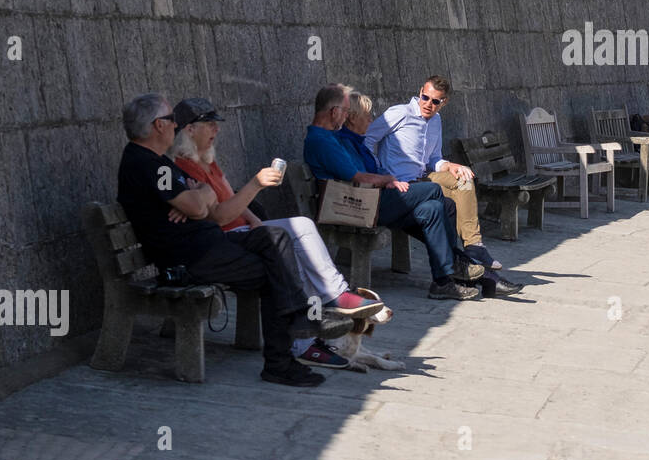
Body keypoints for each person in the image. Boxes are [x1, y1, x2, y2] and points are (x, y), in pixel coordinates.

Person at [117, 93, 340, 388]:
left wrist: (198, 196)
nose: (176, 126)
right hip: (190, 257)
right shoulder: (148, 165)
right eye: (172, 120)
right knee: (276, 271)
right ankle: (282, 358)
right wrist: (201, 197)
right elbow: (200, 206)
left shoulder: (155, 162)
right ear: (158, 125)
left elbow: (200, 204)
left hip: (206, 245)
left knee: (275, 237)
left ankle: (298, 321)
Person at [167, 97, 382, 370]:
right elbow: (218, 215)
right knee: (291, 257)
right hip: (223, 243)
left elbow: (231, 198)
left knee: (301, 229)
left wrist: (257, 221)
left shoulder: (206, 159)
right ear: (189, 129)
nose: (216, 130)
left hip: (244, 231)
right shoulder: (182, 167)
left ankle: (334, 297)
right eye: (210, 124)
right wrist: (256, 185)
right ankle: (304, 342)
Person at [304, 84, 483, 300]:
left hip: (369, 200)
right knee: (434, 189)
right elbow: (358, 177)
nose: (348, 115)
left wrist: (386, 180)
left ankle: (443, 282)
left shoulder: (336, 138)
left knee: (436, 208)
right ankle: (455, 261)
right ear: (335, 112)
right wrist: (388, 179)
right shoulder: (324, 140)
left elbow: (363, 172)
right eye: (344, 111)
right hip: (359, 205)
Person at [364, 78, 522, 297]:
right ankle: (481, 276)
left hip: (419, 181)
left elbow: (434, 160)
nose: (428, 103)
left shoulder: (436, 121)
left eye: (435, 101)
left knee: (463, 180)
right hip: (396, 188)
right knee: (440, 204)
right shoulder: (398, 113)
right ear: (420, 92)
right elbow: (366, 140)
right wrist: (382, 174)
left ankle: (473, 246)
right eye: (425, 97)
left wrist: (451, 166)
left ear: (444, 102)